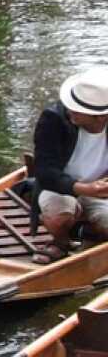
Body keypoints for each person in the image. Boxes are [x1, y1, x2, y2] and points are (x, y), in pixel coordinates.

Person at [32, 67, 108, 260]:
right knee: (59, 214)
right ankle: (61, 242)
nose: (70, 111)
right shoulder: (54, 119)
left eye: (78, 110)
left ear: (100, 117)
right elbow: (45, 171)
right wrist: (84, 188)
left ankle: (89, 235)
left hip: (102, 190)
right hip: (61, 187)